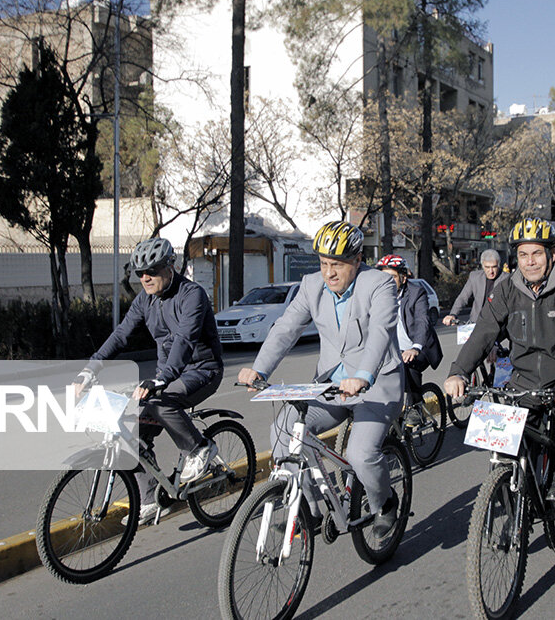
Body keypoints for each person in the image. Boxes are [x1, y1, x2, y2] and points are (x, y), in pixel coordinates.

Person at [237, 221, 403, 539]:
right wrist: (259, 369)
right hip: (331, 386)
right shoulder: (312, 285)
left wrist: (363, 375)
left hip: (377, 385)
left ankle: (385, 503)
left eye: (337, 265)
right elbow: (286, 328)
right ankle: (310, 510)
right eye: (324, 264)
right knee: (284, 430)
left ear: (356, 260)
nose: (329, 273)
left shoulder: (379, 284)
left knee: (360, 454)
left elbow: (380, 334)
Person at [76, 237, 225, 525]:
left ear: (171, 266)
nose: (145, 277)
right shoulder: (145, 299)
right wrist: (91, 369)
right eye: (139, 273)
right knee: (129, 430)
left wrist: (161, 379)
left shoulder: (191, 294)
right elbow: (121, 335)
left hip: (201, 371)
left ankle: (199, 448)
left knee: (159, 401)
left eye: (153, 270)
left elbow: (184, 340)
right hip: (165, 375)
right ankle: (151, 498)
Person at [444, 218, 555, 502]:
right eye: (523, 254)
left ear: (551, 254)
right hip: (523, 378)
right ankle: (513, 484)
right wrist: (458, 372)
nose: (530, 262)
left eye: (537, 253)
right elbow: (484, 331)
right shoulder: (507, 289)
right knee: (511, 444)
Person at [376, 254, 444, 427]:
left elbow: (423, 321)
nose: (387, 282)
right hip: (394, 349)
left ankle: (416, 407)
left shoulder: (416, 293)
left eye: (391, 277)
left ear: (403, 278)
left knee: (408, 365)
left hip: (419, 347)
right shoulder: (378, 295)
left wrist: (415, 347)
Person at [442, 249, 508, 325]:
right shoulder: (475, 277)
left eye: (494, 267)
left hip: (498, 324)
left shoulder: (507, 279)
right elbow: (463, 297)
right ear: (482, 265)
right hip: (476, 322)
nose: (491, 271)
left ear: (498, 265)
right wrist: (453, 314)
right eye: (487, 267)